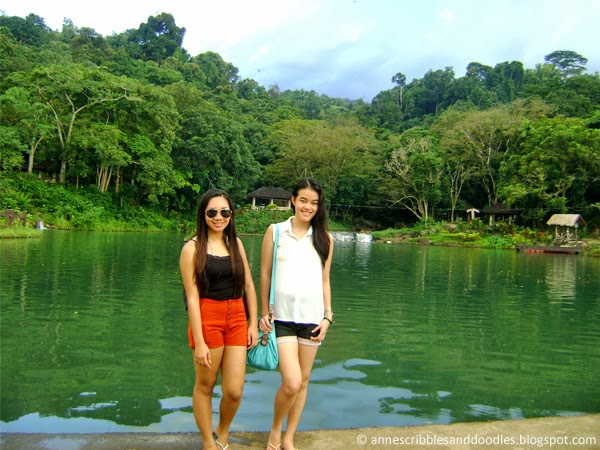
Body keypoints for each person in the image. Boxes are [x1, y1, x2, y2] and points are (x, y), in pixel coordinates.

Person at [180, 189, 258, 450]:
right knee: (206, 384)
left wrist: (252, 323)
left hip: (237, 315)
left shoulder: (235, 244)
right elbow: (192, 298)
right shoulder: (192, 248)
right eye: (212, 212)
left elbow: (248, 284)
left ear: (231, 214)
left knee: (234, 390)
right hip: (207, 316)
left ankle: (222, 432)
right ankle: (207, 442)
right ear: (203, 215)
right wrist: (199, 341)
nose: (218, 217)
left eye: (224, 212)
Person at [259, 178, 334, 450]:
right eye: (303, 200)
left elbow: (325, 280)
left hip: (313, 319)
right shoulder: (276, 232)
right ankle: (275, 432)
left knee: (303, 382)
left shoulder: (325, 238)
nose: (308, 207)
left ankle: (289, 438)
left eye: (314, 202)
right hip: (281, 317)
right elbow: (265, 272)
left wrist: (327, 316)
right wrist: (261, 311)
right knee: (291, 382)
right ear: (293, 200)